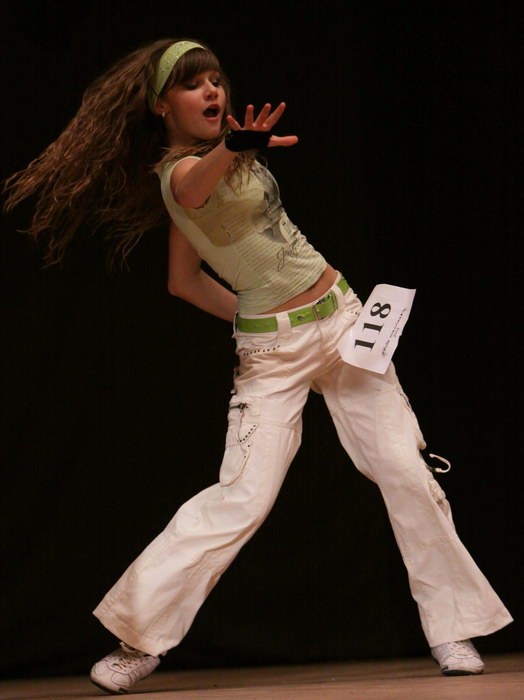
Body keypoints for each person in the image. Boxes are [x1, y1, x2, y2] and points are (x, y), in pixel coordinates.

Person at [4, 38, 512, 695]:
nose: (212, 91)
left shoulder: (234, 159)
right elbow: (195, 186)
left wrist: (239, 161)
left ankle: (452, 628)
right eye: (193, 84)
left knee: (405, 470)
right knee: (242, 497)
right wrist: (263, 324)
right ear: (162, 105)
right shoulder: (179, 176)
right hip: (273, 357)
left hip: (344, 319)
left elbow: (183, 281)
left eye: (216, 79)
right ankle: (139, 641)